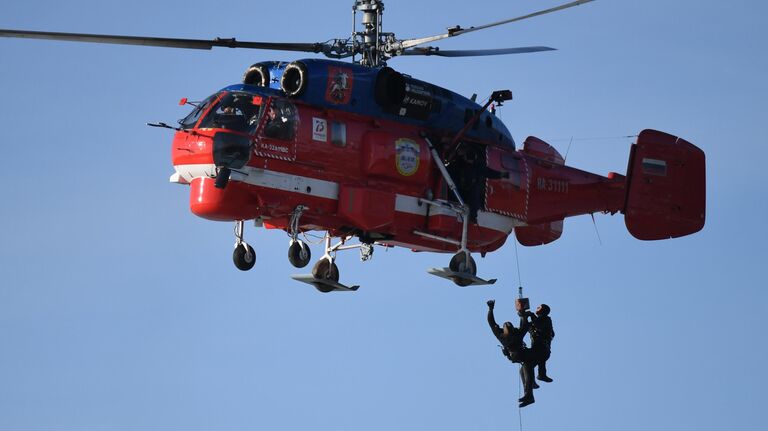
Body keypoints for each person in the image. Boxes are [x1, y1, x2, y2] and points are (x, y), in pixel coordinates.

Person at [487, 299, 536, 407]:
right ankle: (529, 393)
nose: (507, 325)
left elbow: (525, 326)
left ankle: (529, 393)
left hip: (522, 355)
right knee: (527, 367)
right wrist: (490, 309)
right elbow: (491, 323)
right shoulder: (502, 335)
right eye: (506, 325)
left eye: (509, 325)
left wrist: (524, 315)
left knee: (524, 369)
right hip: (518, 356)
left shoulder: (515, 333)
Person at [523, 304, 555, 383]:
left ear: (543, 310)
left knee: (540, 360)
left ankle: (540, 375)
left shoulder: (546, 319)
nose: (537, 308)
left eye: (539, 307)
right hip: (537, 347)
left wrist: (531, 315)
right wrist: (524, 317)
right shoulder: (536, 322)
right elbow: (525, 327)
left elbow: (538, 324)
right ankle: (531, 381)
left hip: (542, 347)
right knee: (528, 366)